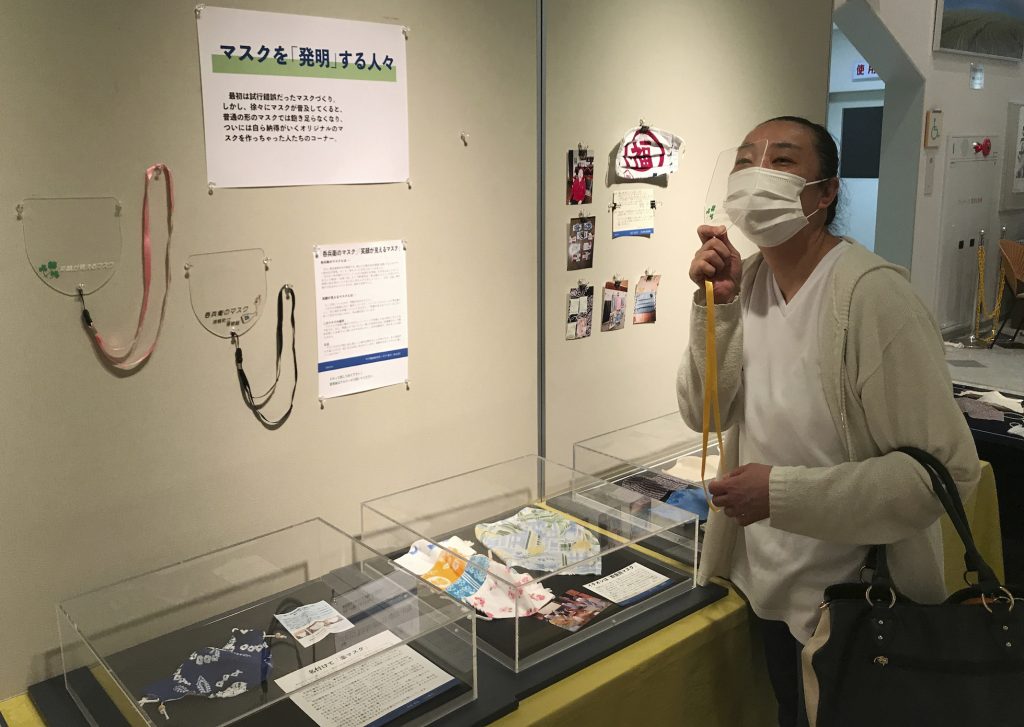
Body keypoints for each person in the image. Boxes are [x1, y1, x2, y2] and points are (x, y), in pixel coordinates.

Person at [676, 116, 980, 727]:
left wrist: (779, 493)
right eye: (745, 160)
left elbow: (945, 473)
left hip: (860, 601)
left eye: (782, 160)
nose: (758, 172)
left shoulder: (871, 296)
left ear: (827, 191)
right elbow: (701, 413)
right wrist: (719, 306)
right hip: (768, 586)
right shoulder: (749, 281)